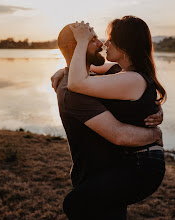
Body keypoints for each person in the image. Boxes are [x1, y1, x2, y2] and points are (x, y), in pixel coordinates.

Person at [52, 16, 166, 220]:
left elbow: (78, 82)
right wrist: (64, 69)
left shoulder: (131, 79)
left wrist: (155, 133)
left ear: (126, 45)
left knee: (74, 203)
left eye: (111, 38)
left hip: (143, 163)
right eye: (94, 38)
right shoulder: (120, 73)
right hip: (128, 163)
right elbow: (85, 72)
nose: (105, 43)